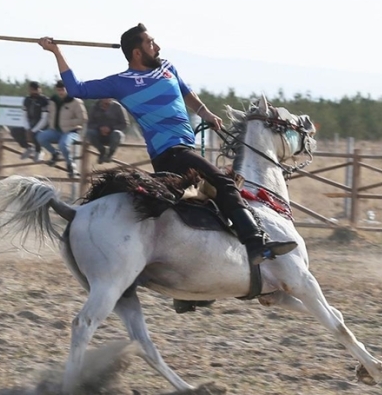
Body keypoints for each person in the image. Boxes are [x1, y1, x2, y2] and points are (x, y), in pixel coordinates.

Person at [38, 23, 298, 314]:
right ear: (137, 52)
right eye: (151, 43)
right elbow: (76, 89)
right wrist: (56, 52)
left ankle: (190, 290)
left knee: (203, 204)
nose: (157, 47)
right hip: (169, 154)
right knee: (224, 185)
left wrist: (207, 114)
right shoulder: (121, 82)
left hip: (185, 148)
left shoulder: (167, 68)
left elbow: (187, 94)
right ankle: (257, 245)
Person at [38, 80, 87, 178]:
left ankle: (71, 166)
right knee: (40, 137)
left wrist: (68, 123)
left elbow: (83, 118)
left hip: (72, 131)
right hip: (55, 131)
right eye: (58, 90)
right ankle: (55, 154)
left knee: (63, 144)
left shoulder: (75, 101)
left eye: (63, 89)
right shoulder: (52, 101)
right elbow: (49, 115)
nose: (61, 92)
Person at [14, 81, 50, 162]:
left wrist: (33, 130)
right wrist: (27, 128)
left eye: (35, 89)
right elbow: (24, 115)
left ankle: (39, 151)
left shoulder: (45, 100)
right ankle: (29, 148)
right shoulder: (27, 100)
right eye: (31, 89)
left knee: (37, 134)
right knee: (15, 131)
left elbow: (45, 119)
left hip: (42, 126)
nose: (33, 91)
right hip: (30, 124)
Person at [86, 98, 128, 164]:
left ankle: (110, 154)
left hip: (113, 134)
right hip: (99, 134)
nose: (106, 98)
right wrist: (99, 128)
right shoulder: (94, 107)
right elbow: (89, 123)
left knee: (117, 134)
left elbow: (124, 123)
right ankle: (102, 151)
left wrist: (110, 128)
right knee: (89, 133)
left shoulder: (117, 107)